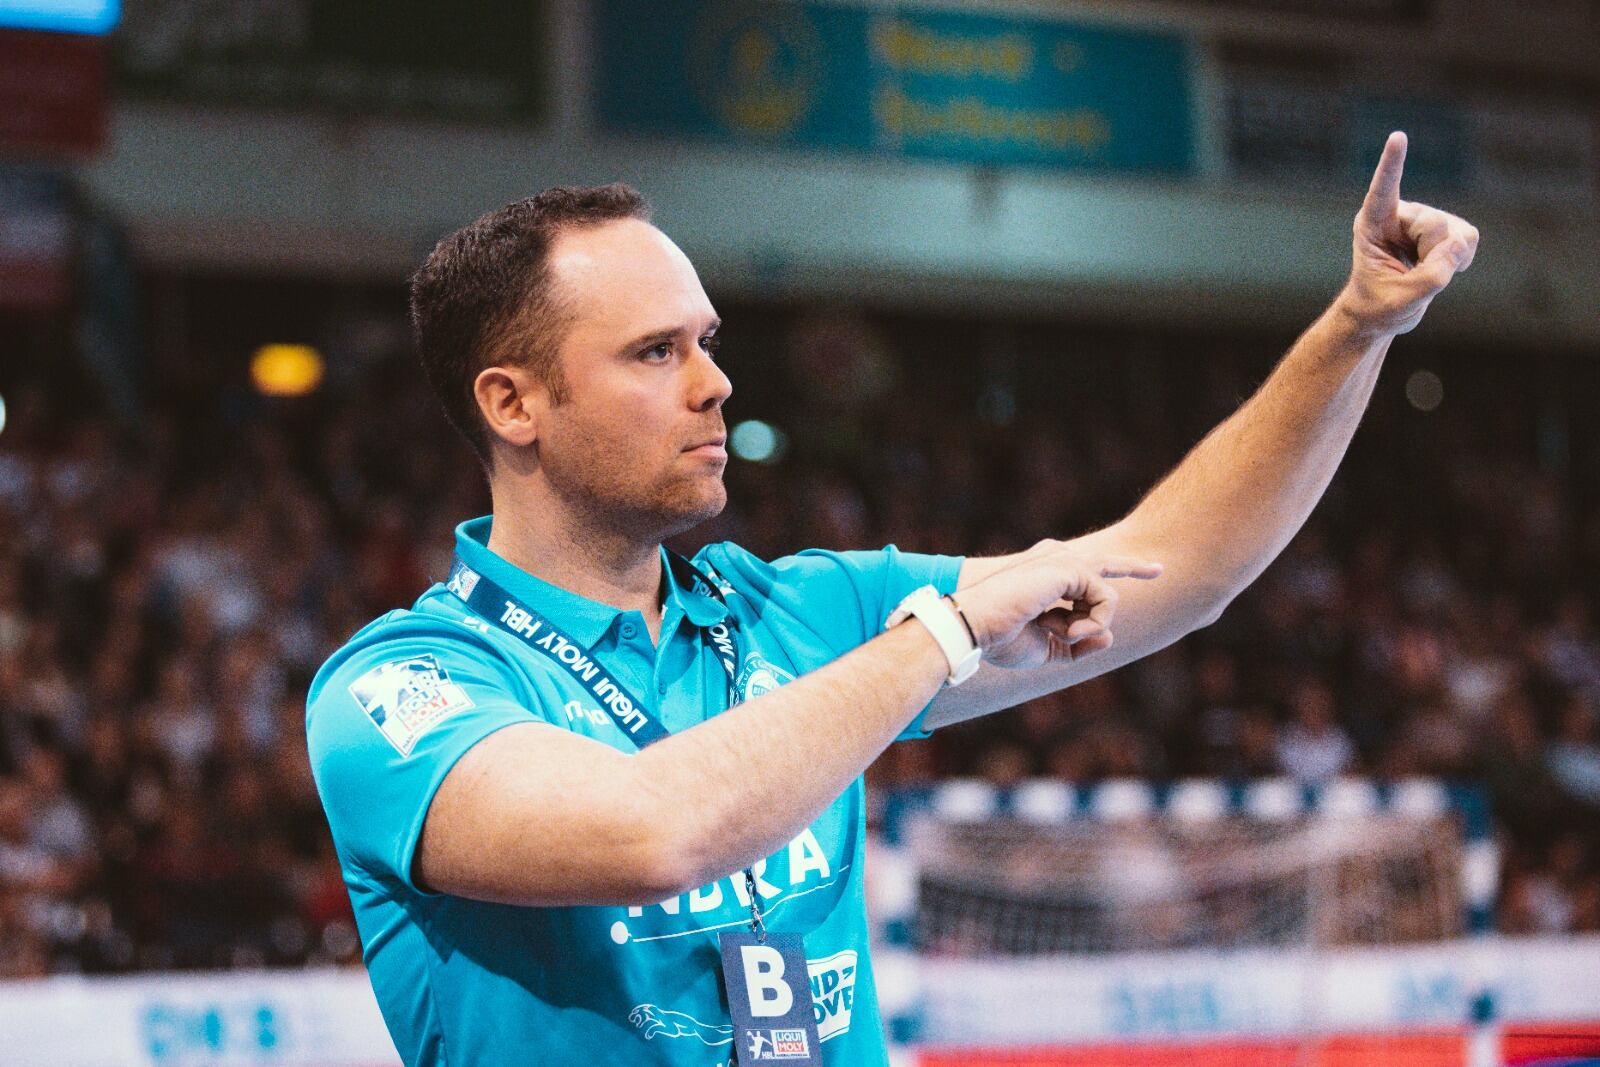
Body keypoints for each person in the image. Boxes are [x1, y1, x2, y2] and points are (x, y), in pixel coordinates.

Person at [305, 132, 1477, 1066]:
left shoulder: (792, 611)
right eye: (656, 353)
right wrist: (945, 630)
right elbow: (646, 829)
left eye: (706, 340)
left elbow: (1180, 569)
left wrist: (1357, 326)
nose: (716, 383)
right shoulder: (403, 683)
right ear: (513, 404)